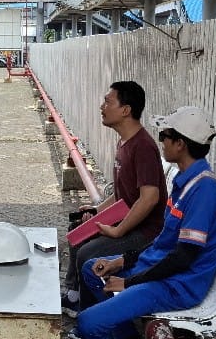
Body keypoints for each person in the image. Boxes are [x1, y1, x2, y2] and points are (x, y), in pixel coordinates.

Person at [73, 106, 216, 339]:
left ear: (180, 144)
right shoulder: (185, 183)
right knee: (93, 268)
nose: (162, 142)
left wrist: (128, 283)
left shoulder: (204, 191)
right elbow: (163, 242)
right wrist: (121, 262)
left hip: (175, 286)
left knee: (88, 324)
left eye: (164, 136)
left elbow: (183, 258)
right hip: (159, 271)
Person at [62, 81, 166, 317]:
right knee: (77, 231)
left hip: (145, 232)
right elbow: (122, 194)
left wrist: (118, 231)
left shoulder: (143, 147)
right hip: (128, 223)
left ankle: (91, 314)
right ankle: (74, 295)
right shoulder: (124, 143)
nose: (102, 107)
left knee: (87, 253)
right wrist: (97, 211)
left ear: (126, 110)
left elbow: (149, 198)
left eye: (108, 102)